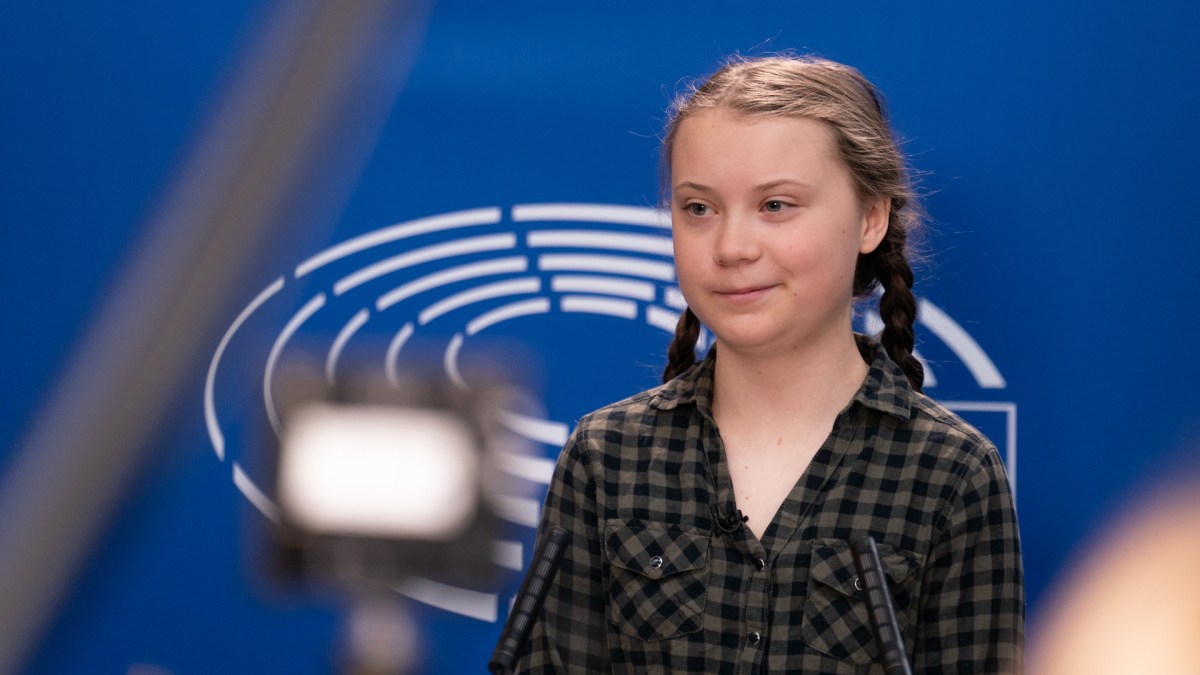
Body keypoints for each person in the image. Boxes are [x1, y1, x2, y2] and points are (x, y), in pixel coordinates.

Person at [516, 54, 1024, 674]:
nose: (731, 248)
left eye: (776, 205)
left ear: (871, 217)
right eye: (698, 209)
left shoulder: (952, 473)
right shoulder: (604, 455)